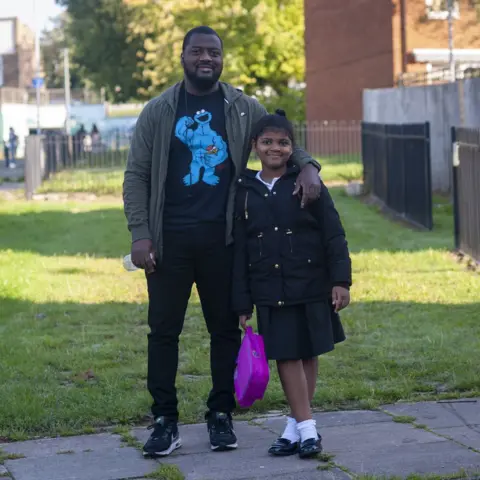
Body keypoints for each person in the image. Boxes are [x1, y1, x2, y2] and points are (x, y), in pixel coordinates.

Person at [123, 25, 322, 458]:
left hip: (226, 242)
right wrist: (140, 233)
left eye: (213, 52)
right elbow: (136, 175)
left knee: (225, 332)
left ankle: (220, 415)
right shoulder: (158, 111)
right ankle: (164, 421)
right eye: (197, 52)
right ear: (182, 56)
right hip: (169, 242)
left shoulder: (241, 106)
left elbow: (281, 137)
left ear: (221, 57)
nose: (206, 59)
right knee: (163, 332)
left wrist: (309, 167)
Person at [232, 110, 352, 459]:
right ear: (254, 145)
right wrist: (242, 303)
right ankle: (308, 428)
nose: (275, 148)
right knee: (286, 355)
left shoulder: (308, 183)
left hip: (311, 283)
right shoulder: (243, 190)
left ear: (292, 147)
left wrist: (340, 280)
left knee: (308, 351)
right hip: (270, 290)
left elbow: (334, 233)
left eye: (283, 142)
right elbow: (239, 250)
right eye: (267, 141)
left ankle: (294, 428)